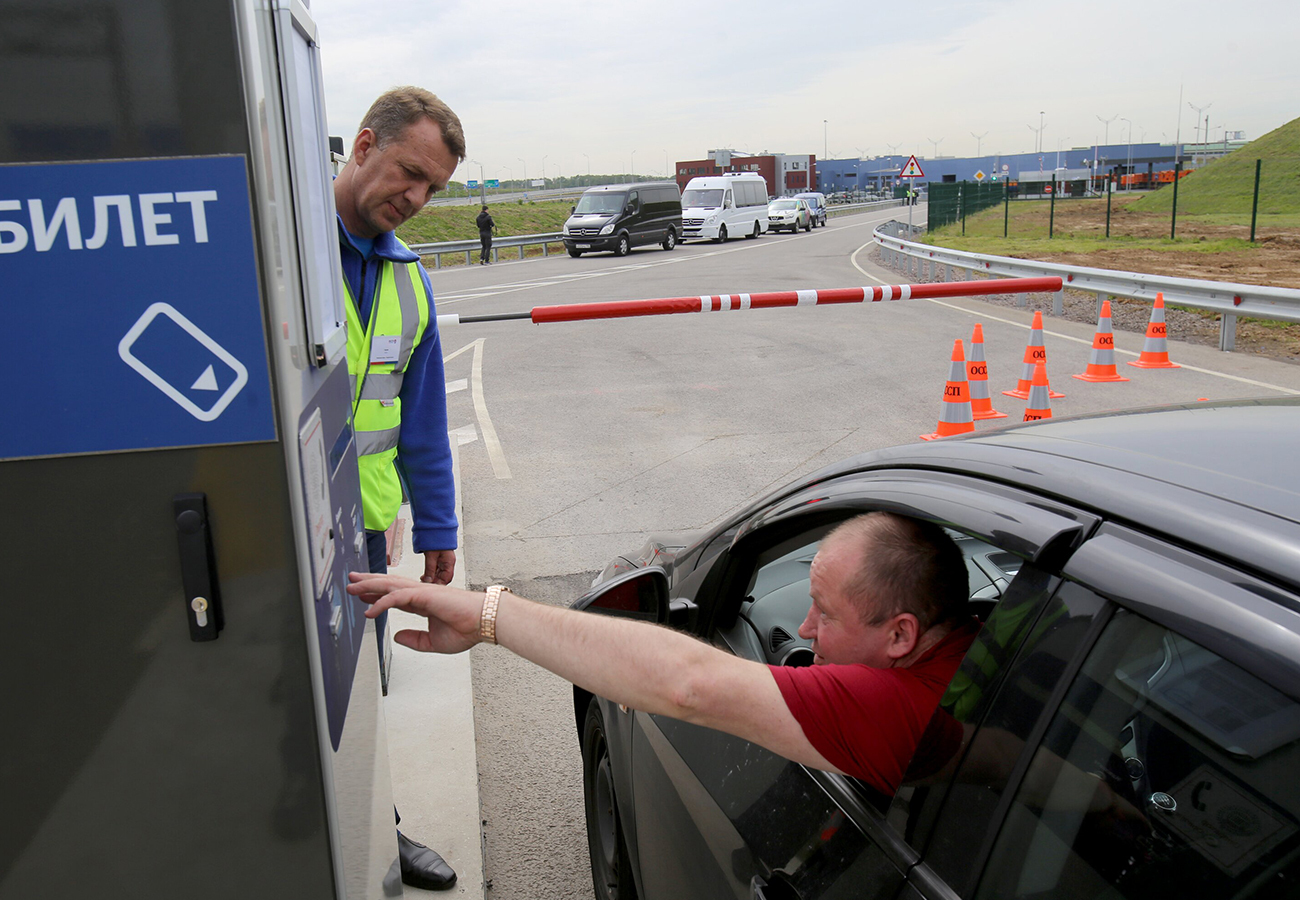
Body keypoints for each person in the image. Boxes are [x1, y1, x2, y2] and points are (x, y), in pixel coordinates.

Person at [348, 512, 981, 795]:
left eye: (827, 612)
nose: (807, 628)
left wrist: (488, 613)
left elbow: (689, 684)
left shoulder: (895, 708)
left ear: (901, 635)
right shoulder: (980, 653)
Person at [333, 85, 465, 891]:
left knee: (366, 705)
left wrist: (440, 527)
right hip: (273, 529)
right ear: (362, 146)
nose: (414, 200)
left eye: (431, 190)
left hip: (365, 539)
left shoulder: (409, 282)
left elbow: (421, 423)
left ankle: (379, 832)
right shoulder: (286, 253)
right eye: (408, 174)